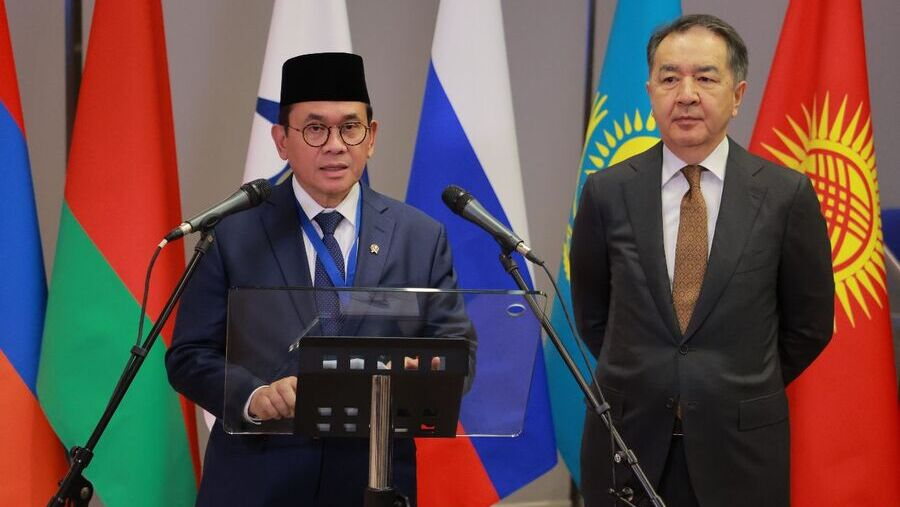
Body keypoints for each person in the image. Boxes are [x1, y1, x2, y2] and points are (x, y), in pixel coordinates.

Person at [166, 52, 472, 506]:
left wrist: (422, 373)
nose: (335, 145)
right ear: (281, 140)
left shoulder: (420, 237)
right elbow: (189, 356)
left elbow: (458, 352)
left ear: (372, 137)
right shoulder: (231, 234)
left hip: (374, 481)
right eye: (315, 129)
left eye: (350, 127)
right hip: (258, 482)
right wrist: (254, 395)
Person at [571, 14, 834, 507]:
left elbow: (810, 325)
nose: (686, 94)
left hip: (741, 450)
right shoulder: (607, 192)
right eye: (670, 78)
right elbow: (592, 315)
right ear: (651, 91)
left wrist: (732, 384)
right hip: (627, 442)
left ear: (737, 95)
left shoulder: (785, 195)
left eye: (706, 78)